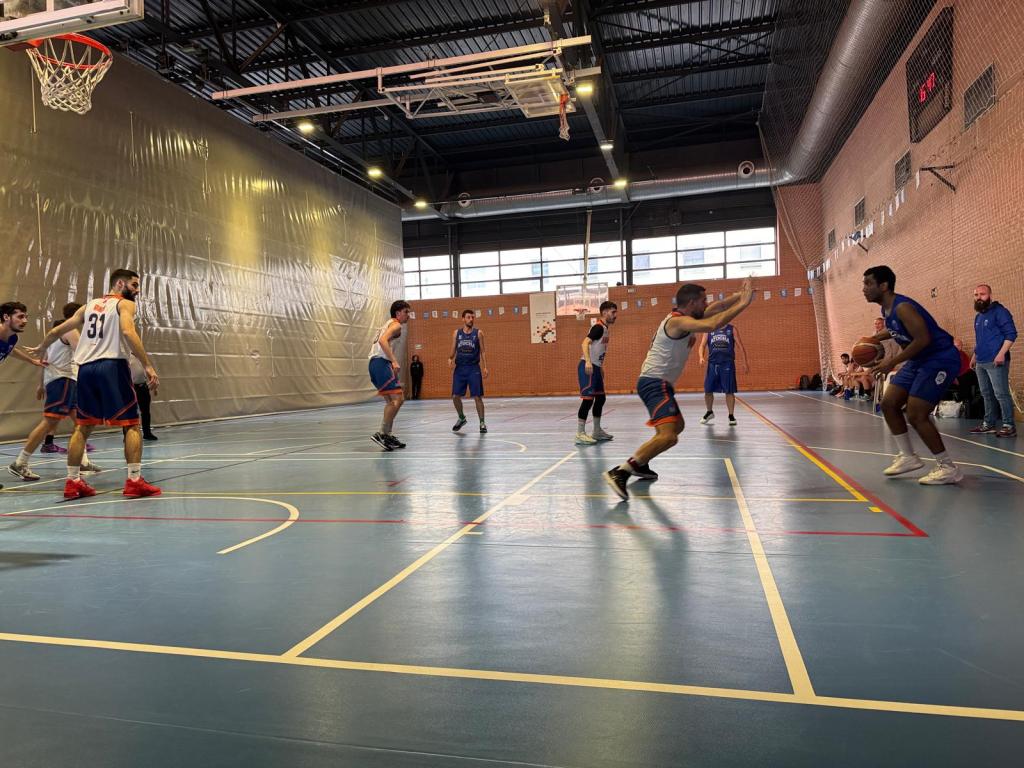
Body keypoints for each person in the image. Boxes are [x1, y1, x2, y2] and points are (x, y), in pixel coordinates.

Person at [604, 279, 755, 501]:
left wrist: (740, 295)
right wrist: (743, 304)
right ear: (692, 303)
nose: (707, 304)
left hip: (660, 383)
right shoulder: (677, 322)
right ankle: (621, 472)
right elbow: (713, 323)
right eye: (703, 301)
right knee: (669, 436)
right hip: (654, 383)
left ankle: (641, 463)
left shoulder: (687, 317)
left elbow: (719, 307)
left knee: (677, 426)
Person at [26, 269, 161, 499]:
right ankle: (135, 481)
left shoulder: (88, 306)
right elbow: (128, 332)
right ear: (120, 284)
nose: (137, 290)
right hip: (112, 366)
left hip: (86, 369)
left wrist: (42, 346)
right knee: (131, 424)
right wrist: (147, 365)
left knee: (82, 426)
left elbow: (57, 330)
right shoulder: (125, 304)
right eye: (135, 285)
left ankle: (73, 482)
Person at [861, 265, 963, 484]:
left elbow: (923, 339)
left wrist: (891, 362)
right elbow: (895, 329)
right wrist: (872, 339)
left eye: (868, 283)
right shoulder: (887, 310)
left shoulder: (903, 307)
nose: (864, 289)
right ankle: (908, 457)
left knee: (916, 413)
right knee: (889, 403)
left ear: (884, 286)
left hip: (939, 358)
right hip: (919, 360)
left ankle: (948, 468)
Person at [8, 303, 104, 482]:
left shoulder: (54, 332)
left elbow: (43, 360)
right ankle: (20, 462)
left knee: (81, 422)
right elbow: (83, 354)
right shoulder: (69, 330)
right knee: (49, 422)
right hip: (63, 379)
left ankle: (82, 462)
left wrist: (41, 384)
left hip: (60, 379)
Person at [0, 301, 48, 491]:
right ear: (6, 317)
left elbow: (10, 350)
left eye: (26, 316)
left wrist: (31, 361)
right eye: (20, 316)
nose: (25, 320)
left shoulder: (11, 338)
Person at [970, 284, 1017, 438]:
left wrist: (1001, 354)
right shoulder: (978, 317)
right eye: (976, 295)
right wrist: (974, 356)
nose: (979, 297)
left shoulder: (1000, 312)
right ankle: (988, 424)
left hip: (996, 361)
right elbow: (980, 340)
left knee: (1001, 394)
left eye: (982, 294)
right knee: (986, 394)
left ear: (990, 295)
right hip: (981, 361)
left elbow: (1011, 334)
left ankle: (1009, 425)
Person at [368, 300, 411, 450]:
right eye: (406, 312)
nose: (408, 315)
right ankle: (382, 433)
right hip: (380, 363)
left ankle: (387, 435)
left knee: (391, 402)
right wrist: (394, 361)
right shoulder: (396, 325)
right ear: (398, 313)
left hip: (375, 364)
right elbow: (382, 340)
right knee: (398, 399)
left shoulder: (387, 324)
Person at [575, 301, 617, 445]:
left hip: (596, 367)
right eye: (613, 312)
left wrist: (600, 367)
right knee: (588, 400)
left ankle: (597, 431)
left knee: (600, 398)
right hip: (588, 367)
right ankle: (580, 433)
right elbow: (585, 343)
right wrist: (588, 362)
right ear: (604, 312)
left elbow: (597, 349)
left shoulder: (605, 329)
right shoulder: (598, 327)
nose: (615, 315)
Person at [698, 321, 748, 425]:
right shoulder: (709, 330)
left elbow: (740, 346)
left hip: (727, 363)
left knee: (729, 391)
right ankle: (709, 412)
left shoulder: (732, 329)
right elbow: (702, 345)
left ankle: (731, 415)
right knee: (708, 390)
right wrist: (701, 357)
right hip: (712, 364)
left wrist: (745, 362)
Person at [449, 309, 489, 434]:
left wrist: (485, 366)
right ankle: (461, 418)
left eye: (472, 317)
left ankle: (482, 423)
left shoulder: (478, 333)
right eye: (468, 317)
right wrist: (450, 358)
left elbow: (483, 351)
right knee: (455, 396)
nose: (471, 319)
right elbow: (453, 350)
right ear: (463, 319)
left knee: (477, 396)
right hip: (460, 368)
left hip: (473, 368)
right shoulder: (457, 333)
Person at [130, 353, 157, 440]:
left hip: (143, 387)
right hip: (131, 388)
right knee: (130, 413)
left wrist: (155, 388)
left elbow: (149, 371)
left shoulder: (143, 357)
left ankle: (147, 433)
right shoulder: (127, 357)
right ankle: (128, 434)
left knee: (146, 412)